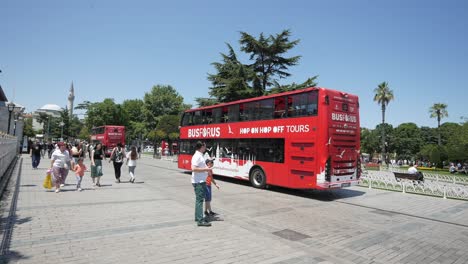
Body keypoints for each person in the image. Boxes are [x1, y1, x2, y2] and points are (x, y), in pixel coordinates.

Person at [191, 141, 212, 227]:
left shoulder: (199, 155)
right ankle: (200, 220)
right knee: (200, 201)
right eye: (205, 146)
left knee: (198, 200)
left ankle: (198, 217)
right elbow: (193, 168)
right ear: (201, 147)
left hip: (200, 181)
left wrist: (207, 169)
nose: (205, 148)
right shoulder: (197, 156)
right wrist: (206, 170)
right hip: (199, 182)